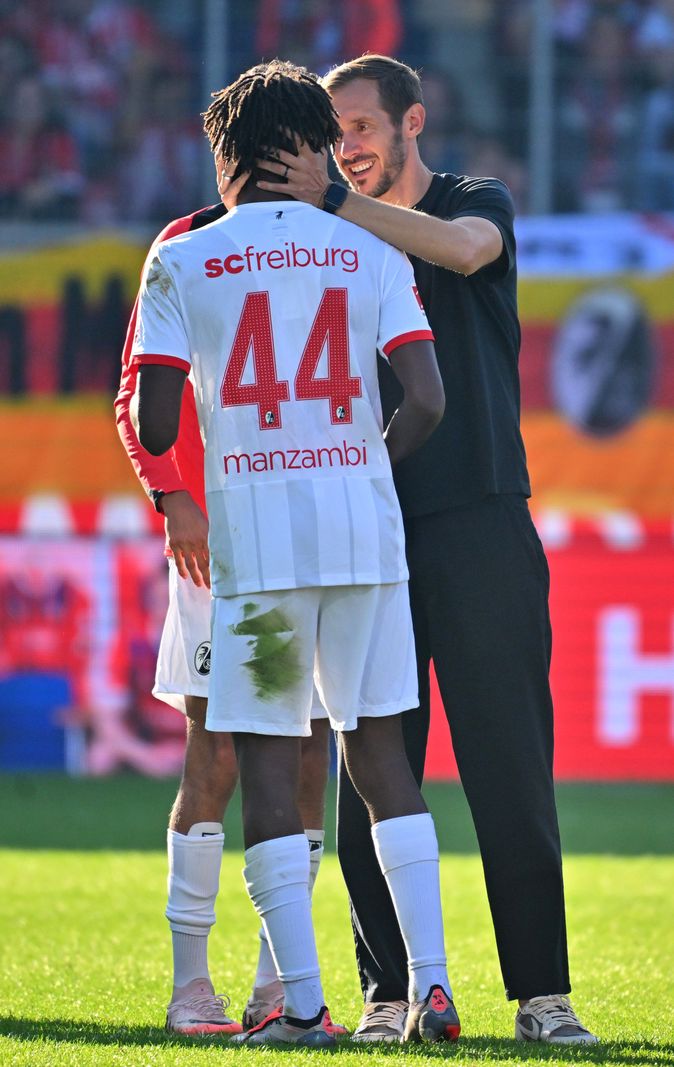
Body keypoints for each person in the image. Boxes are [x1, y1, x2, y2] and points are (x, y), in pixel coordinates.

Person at [254, 53, 599, 1045]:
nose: (346, 148)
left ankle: (541, 995)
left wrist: (328, 200)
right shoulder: (318, 236)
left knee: (509, 769)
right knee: (372, 767)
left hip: (481, 519)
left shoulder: (467, 198)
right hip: (366, 527)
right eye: (332, 134)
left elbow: (457, 249)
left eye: (360, 127)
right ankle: (384, 993)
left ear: (411, 122)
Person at [132, 58, 459, 1048]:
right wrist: (357, 457)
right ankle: (430, 990)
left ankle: (302, 1003)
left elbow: (151, 419)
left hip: (260, 555)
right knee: (379, 760)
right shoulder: (366, 249)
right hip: (364, 540)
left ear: (224, 154)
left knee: (270, 765)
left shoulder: (184, 259)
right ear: (314, 143)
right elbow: (428, 400)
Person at [115, 158, 336, 1038]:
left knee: (312, 754)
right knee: (217, 757)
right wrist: (173, 496)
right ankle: (190, 984)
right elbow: (139, 388)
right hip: (225, 550)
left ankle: (275, 981)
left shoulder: (341, 243)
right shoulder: (185, 243)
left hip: (316, 541)